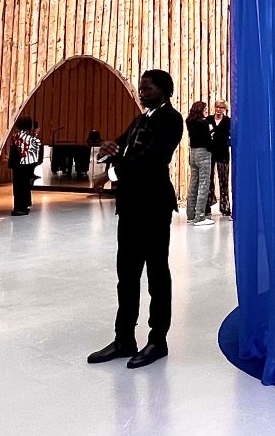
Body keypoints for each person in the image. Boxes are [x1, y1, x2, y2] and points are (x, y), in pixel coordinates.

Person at [87, 70, 185, 369]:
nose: (142, 93)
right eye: (141, 88)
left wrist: (110, 174)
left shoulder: (171, 120)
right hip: (130, 207)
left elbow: (151, 159)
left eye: (148, 88)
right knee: (127, 275)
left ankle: (158, 340)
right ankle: (124, 338)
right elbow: (119, 147)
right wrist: (106, 151)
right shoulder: (140, 119)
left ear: (164, 90)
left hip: (154, 207)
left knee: (157, 274)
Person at [183, 100, 214, 226]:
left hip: (193, 153)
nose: (207, 111)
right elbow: (207, 140)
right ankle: (200, 216)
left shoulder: (189, 121)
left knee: (193, 184)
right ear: (200, 110)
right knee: (203, 185)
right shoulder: (204, 123)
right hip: (204, 154)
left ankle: (190, 214)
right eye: (205, 109)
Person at [8, 116, 42, 216]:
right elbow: (37, 145)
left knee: (17, 186)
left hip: (16, 164)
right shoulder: (29, 138)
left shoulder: (15, 136)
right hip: (25, 163)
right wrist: (35, 134)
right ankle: (22, 207)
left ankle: (18, 207)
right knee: (24, 185)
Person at [209, 100, 232, 218]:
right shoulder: (209, 119)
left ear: (224, 109)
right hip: (210, 153)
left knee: (224, 181)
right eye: (217, 107)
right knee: (208, 180)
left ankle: (225, 207)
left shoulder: (228, 121)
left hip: (222, 153)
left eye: (221, 107)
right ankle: (207, 205)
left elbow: (230, 136)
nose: (218, 109)